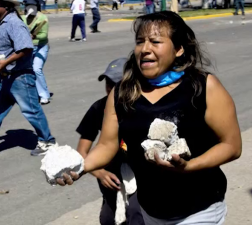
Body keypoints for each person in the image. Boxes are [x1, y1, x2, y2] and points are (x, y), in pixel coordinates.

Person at [57, 11, 242, 225]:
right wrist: (79, 167)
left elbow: (232, 145)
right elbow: (108, 145)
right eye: (139, 42)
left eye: (155, 41)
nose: (145, 49)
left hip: (200, 209)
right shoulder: (121, 94)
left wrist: (190, 166)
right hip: (151, 211)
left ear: (179, 49)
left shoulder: (203, 87)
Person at [0, 0, 57, 156]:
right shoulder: (0, 22)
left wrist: (5, 61)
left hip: (20, 77)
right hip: (5, 75)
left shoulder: (14, 23)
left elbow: (26, 47)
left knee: (31, 111)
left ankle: (47, 141)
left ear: (6, 6)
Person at [76, 58, 144, 225]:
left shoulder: (143, 107)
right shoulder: (98, 108)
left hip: (140, 175)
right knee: (108, 220)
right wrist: (99, 172)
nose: (112, 88)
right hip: (111, 176)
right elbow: (81, 152)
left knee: (136, 215)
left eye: (117, 83)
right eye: (108, 82)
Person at [22, 3, 52, 104]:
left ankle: (44, 96)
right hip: (28, 48)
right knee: (27, 71)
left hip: (41, 47)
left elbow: (44, 35)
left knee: (36, 69)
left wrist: (35, 36)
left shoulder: (42, 18)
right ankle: (32, 94)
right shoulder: (22, 18)